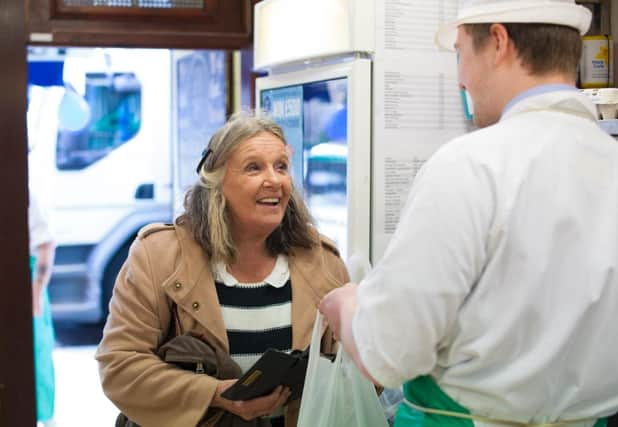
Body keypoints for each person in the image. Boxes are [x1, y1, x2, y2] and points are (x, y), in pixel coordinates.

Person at [320, 1, 618, 426]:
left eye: (460, 53)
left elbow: (387, 356)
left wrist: (348, 308)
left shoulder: (467, 165)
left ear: (498, 42)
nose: (459, 77)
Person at [96, 112, 349, 427]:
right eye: (254, 167)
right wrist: (213, 393)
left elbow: (358, 378)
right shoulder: (157, 257)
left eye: (281, 166)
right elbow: (120, 367)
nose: (274, 180)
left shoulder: (324, 262)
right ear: (216, 182)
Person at [29, 188, 58, 427]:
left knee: (35, 355)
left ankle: (46, 420)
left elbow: (46, 245)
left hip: (27, 285)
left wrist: (35, 294)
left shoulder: (26, 194)